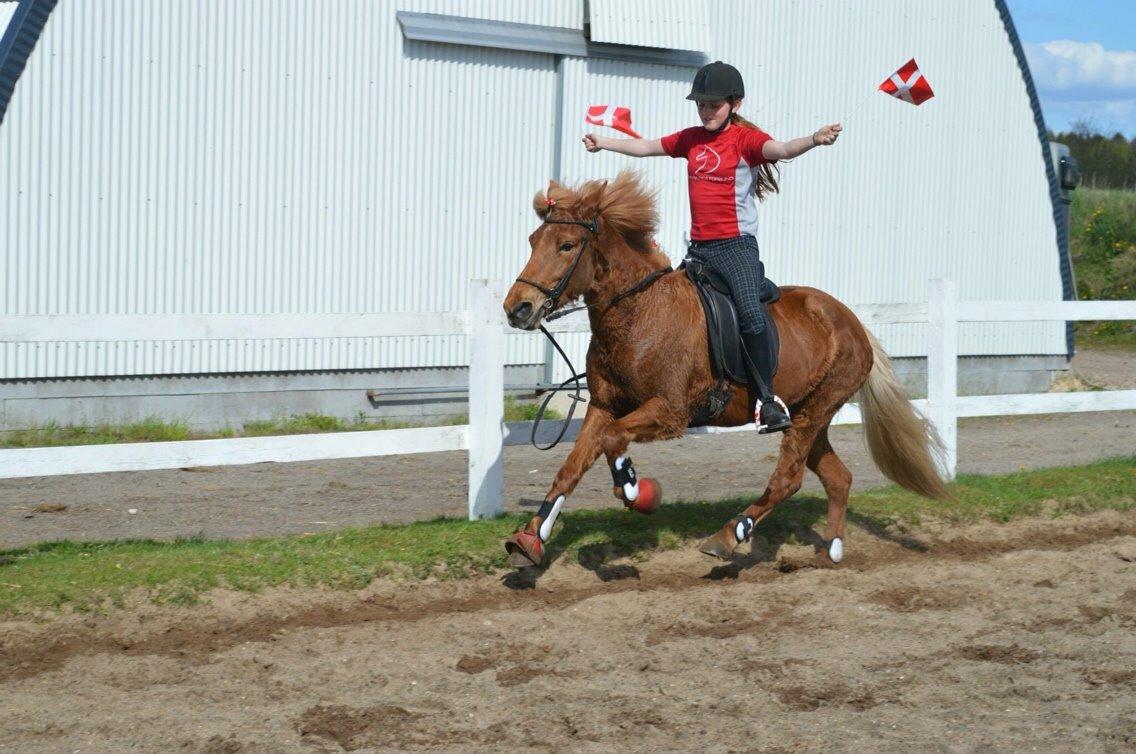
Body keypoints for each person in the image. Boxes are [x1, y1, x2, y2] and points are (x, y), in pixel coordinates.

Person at [583, 60, 841, 433]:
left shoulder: (745, 141)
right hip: (700, 250)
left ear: (734, 104)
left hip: (736, 250)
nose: (705, 111)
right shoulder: (691, 139)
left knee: (751, 314)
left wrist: (814, 139)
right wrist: (603, 142)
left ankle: (767, 400)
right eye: (701, 104)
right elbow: (647, 146)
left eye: (713, 104)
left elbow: (782, 150)